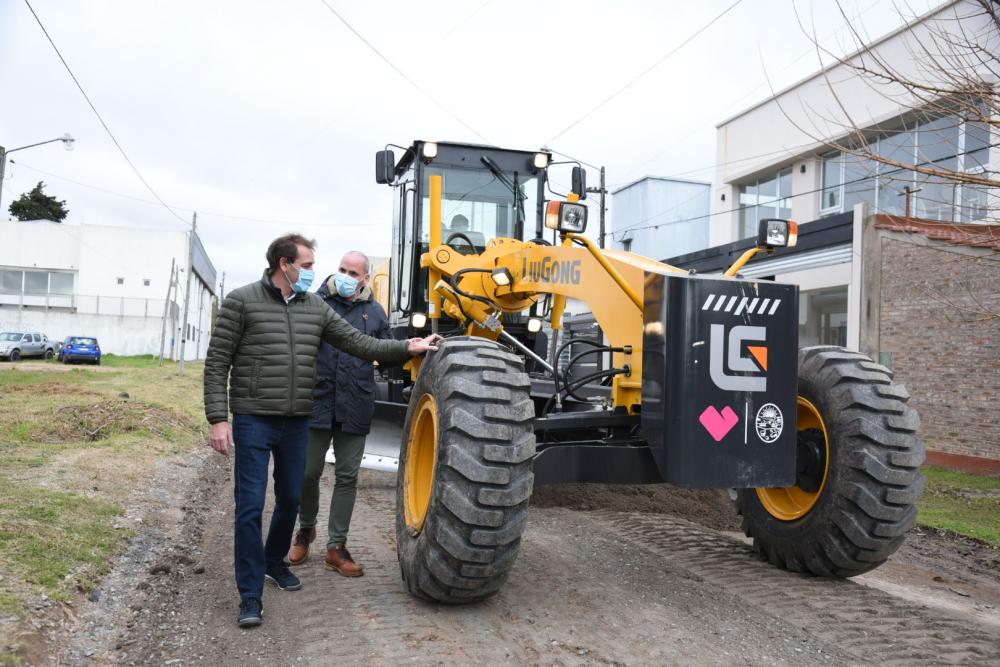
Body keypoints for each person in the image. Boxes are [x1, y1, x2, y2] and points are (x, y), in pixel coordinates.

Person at [203, 234, 440, 629]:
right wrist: (218, 418)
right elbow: (216, 363)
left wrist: (408, 347)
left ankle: (275, 562)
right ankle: (249, 594)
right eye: (308, 265)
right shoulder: (242, 301)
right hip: (254, 418)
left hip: (297, 419)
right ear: (285, 264)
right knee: (248, 507)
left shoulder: (315, 308)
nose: (316, 272)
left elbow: (360, 344)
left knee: (292, 498)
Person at [287, 251, 385, 576]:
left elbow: (387, 353)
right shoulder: (314, 303)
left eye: (353, 272)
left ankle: (335, 546)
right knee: (307, 472)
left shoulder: (376, 313)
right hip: (317, 401)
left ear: (366, 279)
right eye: (342, 269)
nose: (345, 276)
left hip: (355, 403)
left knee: (347, 477)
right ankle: (306, 528)